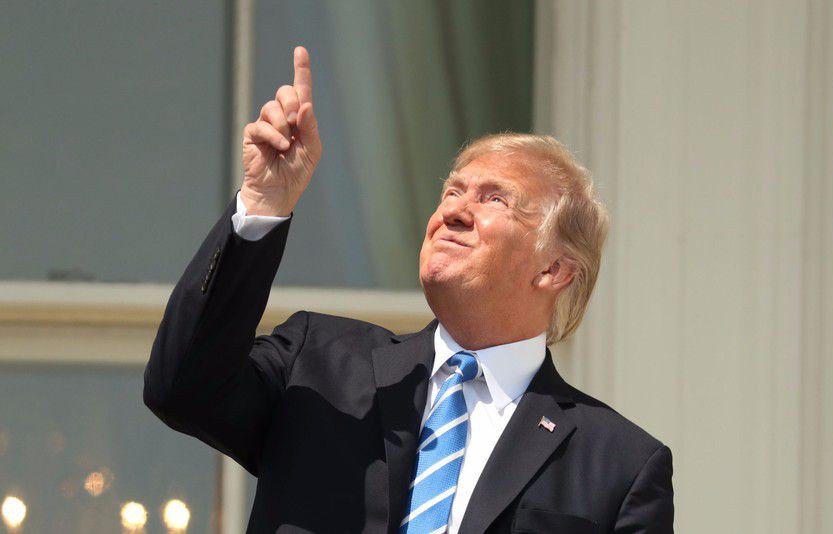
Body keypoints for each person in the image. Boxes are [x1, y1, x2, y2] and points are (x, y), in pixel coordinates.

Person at [144, 46, 673, 533]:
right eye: (452, 192)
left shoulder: (618, 464)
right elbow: (183, 389)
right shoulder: (319, 363)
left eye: (495, 200)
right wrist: (263, 205)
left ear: (554, 269)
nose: (454, 211)